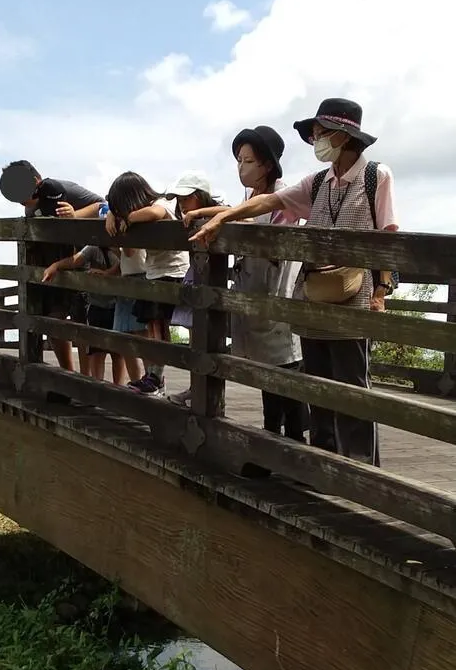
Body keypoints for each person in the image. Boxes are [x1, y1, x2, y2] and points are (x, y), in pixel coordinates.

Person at [190, 99, 398, 467]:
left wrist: (381, 294)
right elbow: (268, 201)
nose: (316, 141)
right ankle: (320, 462)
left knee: (352, 386)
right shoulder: (317, 183)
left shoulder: (375, 176)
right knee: (315, 385)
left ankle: (361, 468)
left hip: (355, 295)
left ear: (343, 135)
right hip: (313, 293)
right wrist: (221, 218)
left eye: (321, 134)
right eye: (314, 134)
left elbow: (390, 238)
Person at [186, 128, 308, 445]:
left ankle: (295, 441)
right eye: (239, 159)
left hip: (277, 294)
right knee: (269, 375)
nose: (242, 166)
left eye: (249, 160)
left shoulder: (285, 194)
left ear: (267, 164)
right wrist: (202, 213)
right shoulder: (250, 197)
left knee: (287, 374)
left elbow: (261, 222)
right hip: (254, 295)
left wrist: (227, 220)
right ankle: (272, 438)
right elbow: (236, 214)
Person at [0, 160, 105, 373]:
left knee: (80, 324)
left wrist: (76, 215)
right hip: (53, 267)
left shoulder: (63, 189)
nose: (20, 201)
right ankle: (69, 374)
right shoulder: (30, 208)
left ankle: (86, 380)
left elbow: (103, 205)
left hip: (80, 262)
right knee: (53, 323)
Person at [105, 172, 189, 397]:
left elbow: (155, 213)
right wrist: (112, 215)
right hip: (154, 275)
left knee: (160, 328)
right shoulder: (139, 212)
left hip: (172, 274)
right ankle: (154, 377)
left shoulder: (163, 203)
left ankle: (156, 377)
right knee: (153, 328)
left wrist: (127, 218)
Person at [163, 173, 227, 409]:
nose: (182, 205)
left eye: (186, 199)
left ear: (200, 197)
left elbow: (230, 210)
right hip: (197, 277)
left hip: (211, 281)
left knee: (207, 337)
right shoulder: (186, 221)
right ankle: (195, 388)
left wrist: (198, 213)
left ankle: (206, 394)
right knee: (195, 337)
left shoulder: (215, 212)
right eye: (179, 200)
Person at [42, 246, 126, 383]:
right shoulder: (93, 249)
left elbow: (127, 263)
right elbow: (75, 260)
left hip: (116, 306)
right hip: (96, 305)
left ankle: (118, 390)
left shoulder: (117, 251)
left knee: (118, 352)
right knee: (96, 350)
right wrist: (56, 265)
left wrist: (108, 272)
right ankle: (93, 388)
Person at [112, 245, 148, 383]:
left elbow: (129, 251)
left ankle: (152, 381)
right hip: (126, 276)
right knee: (124, 337)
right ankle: (137, 383)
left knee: (142, 336)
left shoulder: (129, 223)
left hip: (140, 276)